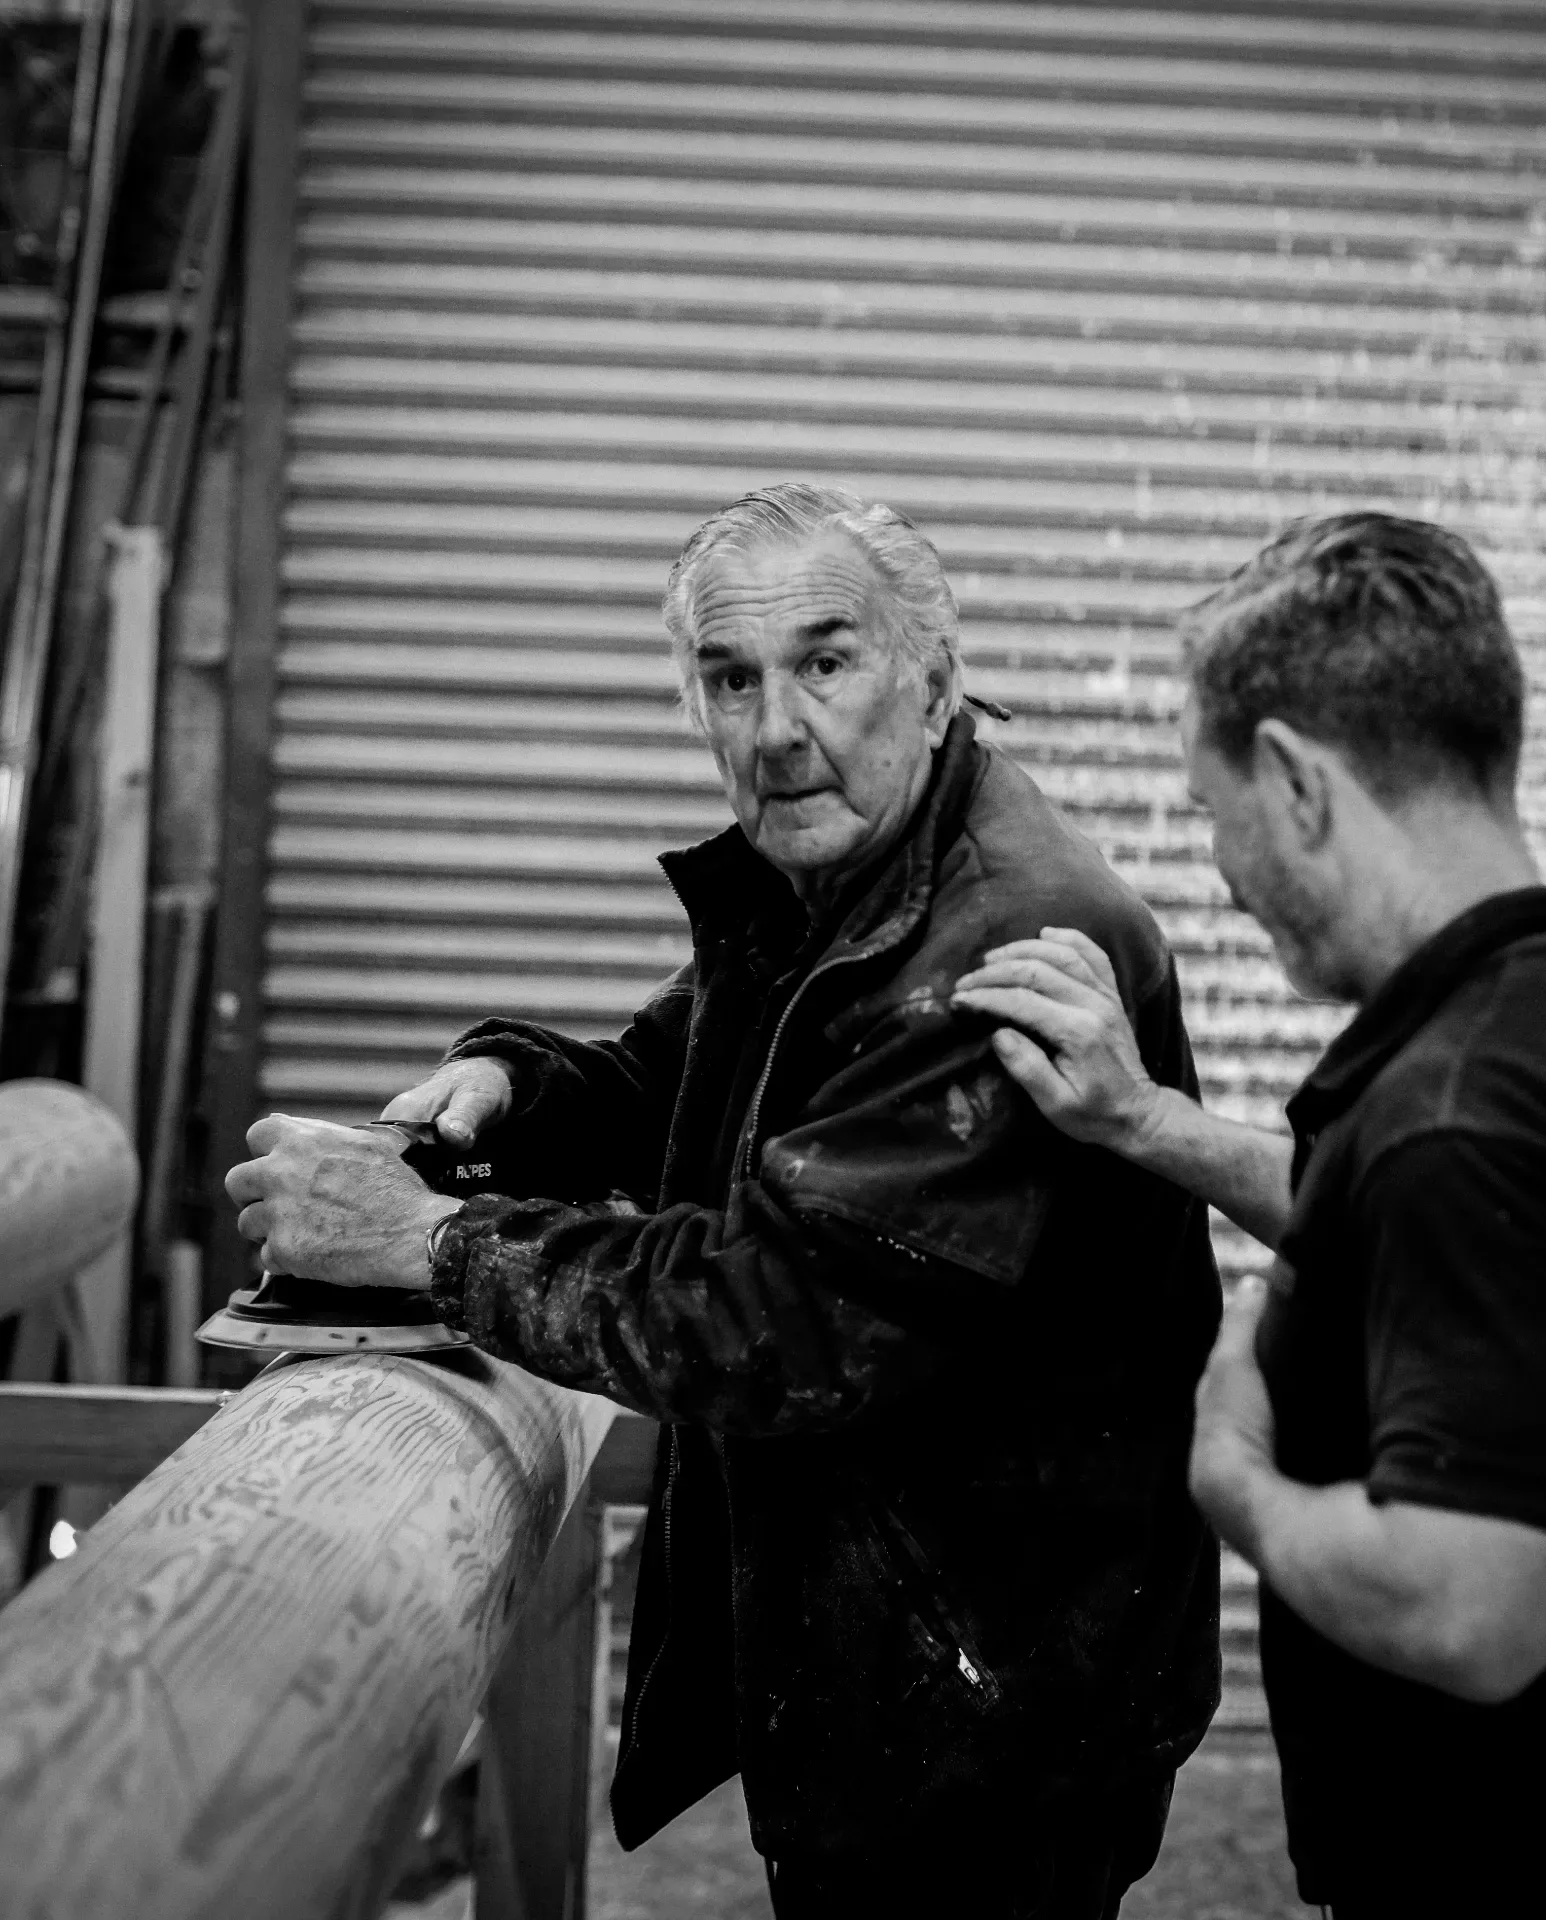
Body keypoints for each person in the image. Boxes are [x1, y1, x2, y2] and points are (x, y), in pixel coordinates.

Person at [226, 483, 1223, 1920]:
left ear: (933, 683)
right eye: (729, 677)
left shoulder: (992, 945)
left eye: (827, 663)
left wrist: (423, 1243)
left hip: (988, 1691)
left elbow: (779, 1319)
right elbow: (678, 1072)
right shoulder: (858, 866)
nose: (773, 728)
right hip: (905, 1645)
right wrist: (517, 1084)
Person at [953, 512, 1546, 1918]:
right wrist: (1142, 1121)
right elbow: (1477, 1257)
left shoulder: (1461, 1116)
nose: (1222, 869)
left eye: (1216, 815)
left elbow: (1473, 1613)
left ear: (1295, 783)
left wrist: (1237, 1484)